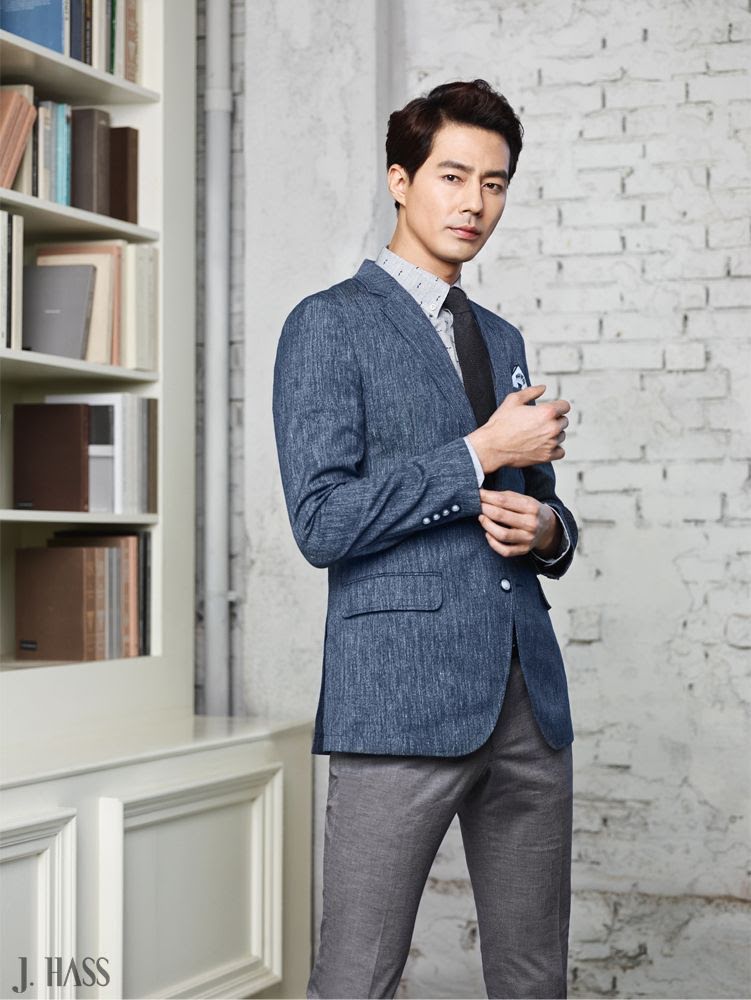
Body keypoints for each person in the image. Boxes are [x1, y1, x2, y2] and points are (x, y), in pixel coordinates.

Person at [272, 79, 577, 1000]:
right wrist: (480, 452)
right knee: (358, 976)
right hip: (399, 698)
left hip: (526, 701)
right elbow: (322, 521)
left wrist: (547, 528)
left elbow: (537, 501)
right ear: (400, 180)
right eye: (452, 176)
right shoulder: (328, 324)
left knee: (532, 977)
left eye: (494, 182)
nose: (474, 202)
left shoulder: (501, 337)